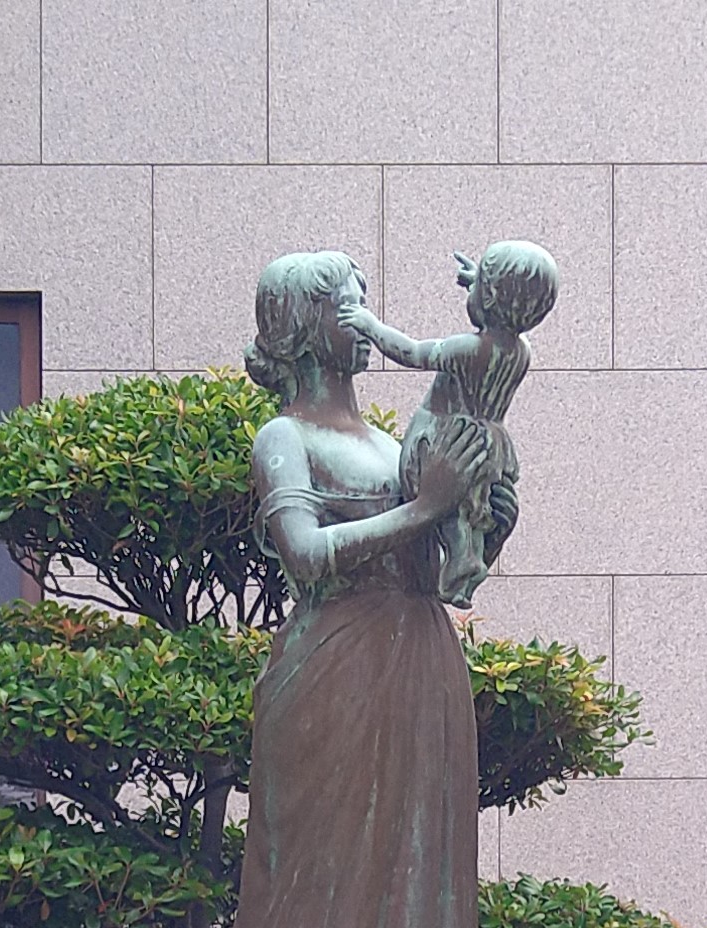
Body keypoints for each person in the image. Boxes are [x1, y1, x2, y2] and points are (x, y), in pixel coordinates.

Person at [234, 250, 514, 928]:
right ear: (305, 326)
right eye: (346, 306)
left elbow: (440, 567)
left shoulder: (394, 444)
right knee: (321, 872)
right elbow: (305, 555)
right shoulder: (284, 437)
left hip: (422, 659)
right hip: (335, 665)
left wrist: (486, 525)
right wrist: (425, 507)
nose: (362, 318)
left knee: (420, 873)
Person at [336, 240, 558, 607]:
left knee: (451, 510)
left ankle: (460, 566)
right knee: (470, 511)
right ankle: (467, 562)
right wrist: (481, 284)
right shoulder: (521, 351)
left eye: (479, 284)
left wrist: (370, 325)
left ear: (490, 298)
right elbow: (502, 308)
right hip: (489, 443)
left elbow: (412, 352)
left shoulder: (471, 349)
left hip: (446, 436)